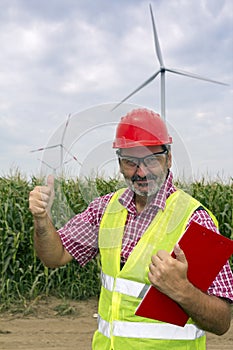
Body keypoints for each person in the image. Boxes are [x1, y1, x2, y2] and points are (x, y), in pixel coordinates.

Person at [29, 108, 233, 350]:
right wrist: (42, 221)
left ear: (168, 159)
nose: (141, 172)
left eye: (151, 159)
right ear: (119, 163)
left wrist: (182, 290)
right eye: (130, 162)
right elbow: (54, 256)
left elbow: (221, 321)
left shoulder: (195, 221)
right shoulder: (105, 209)